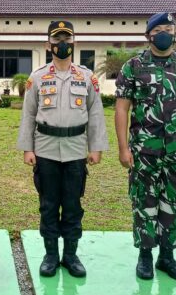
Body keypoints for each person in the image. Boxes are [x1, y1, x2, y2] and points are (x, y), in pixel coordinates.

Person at [114, 12, 176, 281]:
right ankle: (145, 255)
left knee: (174, 201)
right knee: (143, 200)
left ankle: (167, 256)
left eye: (170, 28)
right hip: (143, 149)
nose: (166, 33)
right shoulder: (133, 66)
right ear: (149, 35)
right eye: (160, 30)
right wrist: (123, 148)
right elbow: (122, 109)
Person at [17, 20, 109, 278]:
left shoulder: (86, 77)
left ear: (74, 42)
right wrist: (27, 148)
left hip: (76, 150)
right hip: (45, 149)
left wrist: (96, 146)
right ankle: (50, 255)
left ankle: (70, 255)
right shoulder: (37, 77)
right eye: (57, 39)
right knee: (48, 204)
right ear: (49, 44)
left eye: (66, 39)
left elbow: (96, 113)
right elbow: (28, 114)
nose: (62, 44)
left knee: (72, 204)